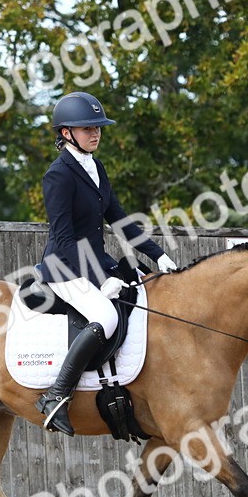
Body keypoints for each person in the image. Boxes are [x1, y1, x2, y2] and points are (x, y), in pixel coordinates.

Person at [33, 91, 179, 436]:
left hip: (95, 261)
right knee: (106, 316)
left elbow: (120, 220)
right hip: (64, 267)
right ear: (67, 133)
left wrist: (158, 255)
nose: (95, 133)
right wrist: (101, 278)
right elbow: (65, 239)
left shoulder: (95, 166)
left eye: (98, 127)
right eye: (87, 128)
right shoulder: (58, 175)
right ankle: (56, 395)